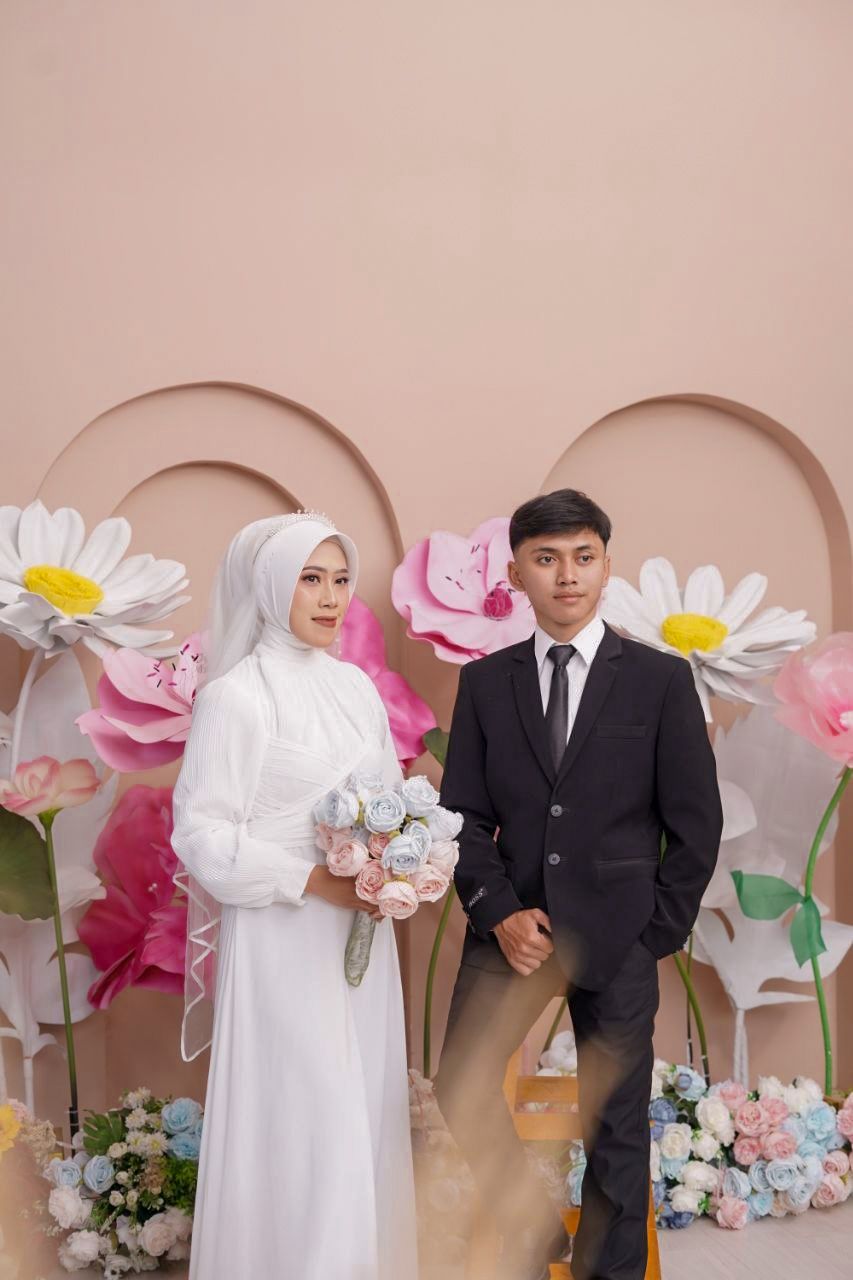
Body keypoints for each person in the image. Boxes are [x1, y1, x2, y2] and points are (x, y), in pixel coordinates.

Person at [434, 488, 723, 1280]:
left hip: (620, 931)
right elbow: (461, 817)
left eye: (582, 557)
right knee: (460, 1084)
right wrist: (497, 912)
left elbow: (695, 822)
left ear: (604, 564)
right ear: (516, 574)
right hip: (513, 930)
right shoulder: (485, 683)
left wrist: (652, 932)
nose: (566, 575)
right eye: (546, 558)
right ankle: (532, 1234)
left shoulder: (660, 681)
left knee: (615, 1126)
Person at [171, 511, 417, 1280]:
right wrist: (313, 881)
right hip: (282, 938)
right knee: (303, 1113)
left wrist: (400, 866)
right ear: (271, 586)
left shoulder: (355, 689)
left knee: (362, 1103)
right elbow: (201, 833)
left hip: (361, 937)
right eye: (311, 579)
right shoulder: (236, 697)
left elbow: (392, 802)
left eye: (340, 579)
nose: (331, 597)